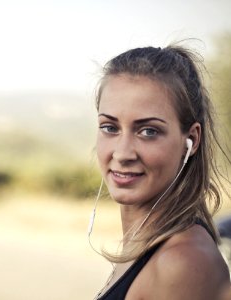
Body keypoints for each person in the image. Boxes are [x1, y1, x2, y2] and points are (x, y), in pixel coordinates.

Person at [89, 44, 230, 299]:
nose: (122, 153)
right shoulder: (149, 245)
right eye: (110, 127)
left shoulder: (182, 262)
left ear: (192, 140)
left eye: (148, 131)